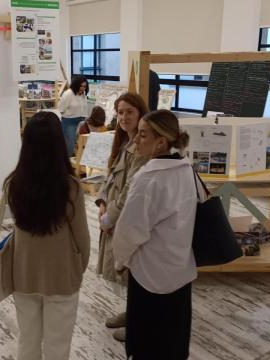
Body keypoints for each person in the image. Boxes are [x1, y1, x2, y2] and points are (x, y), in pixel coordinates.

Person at [113, 109, 200, 360]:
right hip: (180, 267)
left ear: (161, 142)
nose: (135, 140)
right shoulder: (186, 170)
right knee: (173, 339)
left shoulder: (148, 179)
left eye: (142, 135)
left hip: (149, 273)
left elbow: (130, 231)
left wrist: (120, 260)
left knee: (148, 342)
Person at [5, 111, 90, 360]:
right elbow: (82, 237)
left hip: (24, 273)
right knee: (58, 345)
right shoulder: (70, 186)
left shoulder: (13, 183)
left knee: (27, 341)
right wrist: (78, 268)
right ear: (58, 144)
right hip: (61, 274)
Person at [94, 92, 149, 342]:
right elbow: (111, 175)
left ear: (140, 114)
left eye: (130, 112)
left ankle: (139, 321)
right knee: (125, 267)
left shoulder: (143, 146)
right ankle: (132, 313)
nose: (124, 117)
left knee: (135, 268)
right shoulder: (124, 143)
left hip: (130, 218)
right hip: (117, 215)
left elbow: (132, 188)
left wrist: (110, 217)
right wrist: (103, 202)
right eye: (120, 112)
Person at [59, 75, 89, 156]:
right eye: (81, 86)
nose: (83, 88)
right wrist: (71, 114)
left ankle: (77, 164)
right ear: (76, 85)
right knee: (70, 146)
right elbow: (60, 109)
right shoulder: (68, 94)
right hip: (69, 122)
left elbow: (84, 109)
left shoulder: (83, 95)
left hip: (82, 122)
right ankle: (67, 165)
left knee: (81, 145)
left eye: (84, 86)